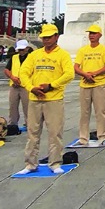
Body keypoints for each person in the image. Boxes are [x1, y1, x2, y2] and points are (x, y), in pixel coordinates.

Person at [17, 24, 75, 175]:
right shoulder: (34, 55)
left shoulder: (62, 55)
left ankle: (54, 162)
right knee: (32, 132)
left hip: (53, 98)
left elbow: (69, 74)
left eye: (49, 37)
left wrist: (51, 86)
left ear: (56, 37)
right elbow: (23, 72)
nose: (46, 40)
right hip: (35, 98)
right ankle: (30, 163)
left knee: (55, 132)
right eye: (44, 38)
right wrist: (31, 87)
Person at [74, 24, 105, 146]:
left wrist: (95, 74)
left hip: (99, 83)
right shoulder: (83, 50)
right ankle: (83, 137)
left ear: (100, 35)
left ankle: (102, 135)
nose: (91, 36)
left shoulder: (104, 50)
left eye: (94, 33)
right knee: (84, 112)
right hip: (85, 83)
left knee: (100, 111)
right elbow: (76, 67)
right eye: (90, 33)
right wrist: (86, 74)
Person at [5, 39, 32, 130]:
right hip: (14, 85)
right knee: (12, 106)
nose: (21, 52)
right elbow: (6, 70)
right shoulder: (14, 58)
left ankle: (29, 124)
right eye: (19, 50)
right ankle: (13, 124)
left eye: (22, 49)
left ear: (27, 48)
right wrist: (12, 77)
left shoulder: (32, 58)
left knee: (27, 106)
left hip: (26, 86)